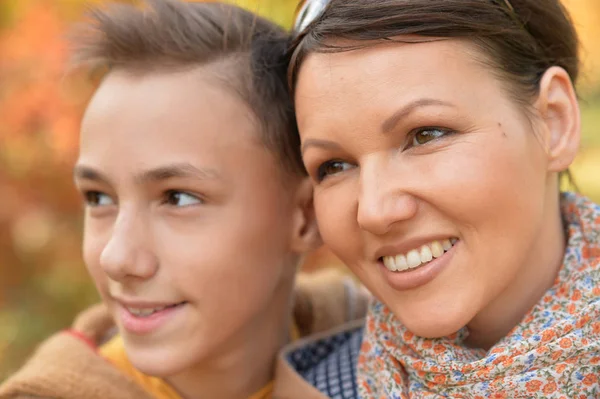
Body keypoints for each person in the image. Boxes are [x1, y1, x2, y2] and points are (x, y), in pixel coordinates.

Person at [0, 1, 369, 398]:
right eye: (98, 197)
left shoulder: (400, 360)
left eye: (177, 198)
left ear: (306, 216)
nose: (117, 258)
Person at [276, 0, 600, 397]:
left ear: (554, 121)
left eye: (426, 134)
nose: (375, 211)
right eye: (334, 166)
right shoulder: (314, 388)